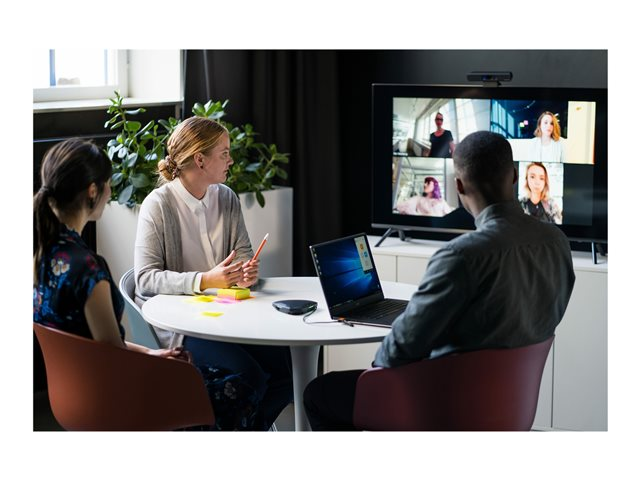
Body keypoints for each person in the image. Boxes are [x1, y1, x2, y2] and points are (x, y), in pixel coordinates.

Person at [303, 131, 576, 430]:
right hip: (513, 406)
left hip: (446, 402)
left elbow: (398, 350)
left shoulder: (462, 255)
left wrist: (380, 371)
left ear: (458, 185)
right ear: (513, 176)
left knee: (319, 394)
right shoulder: (557, 242)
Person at [33, 138, 260, 431]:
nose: (110, 192)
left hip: (74, 396)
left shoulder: (41, 255)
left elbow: (101, 345)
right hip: (117, 395)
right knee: (240, 386)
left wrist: (151, 353)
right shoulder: (88, 269)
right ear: (93, 191)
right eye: (108, 184)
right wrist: (156, 362)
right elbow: (112, 353)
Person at [134, 116, 293, 431]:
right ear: (200, 160)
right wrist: (205, 280)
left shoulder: (227, 197)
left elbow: (244, 253)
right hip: (184, 327)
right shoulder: (158, 205)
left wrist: (246, 273)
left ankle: (245, 432)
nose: (231, 160)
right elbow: (146, 279)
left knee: (286, 371)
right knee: (248, 376)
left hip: (228, 316)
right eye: (224, 153)